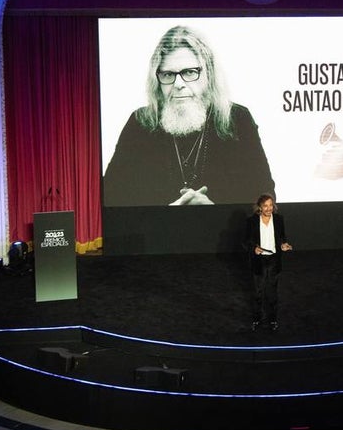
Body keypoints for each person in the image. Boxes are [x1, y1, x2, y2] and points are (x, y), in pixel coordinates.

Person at [103, 25, 275, 206]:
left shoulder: (238, 120)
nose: (178, 84)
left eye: (189, 72)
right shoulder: (140, 123)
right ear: (157, 79)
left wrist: (216, 212)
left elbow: (265, 197)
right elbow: (110, 199)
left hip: (223, 233)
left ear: (208, 74)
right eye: (168, 74)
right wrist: (166, 215)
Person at [244, 193, 291, 332]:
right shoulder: (252, 221)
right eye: (265, 205)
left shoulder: (278, 219)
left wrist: (283, 245)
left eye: (271, 205)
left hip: (274, 260)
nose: (269, 208)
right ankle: (257, 320)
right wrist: (254, 249)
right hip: (259, 260)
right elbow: (246, 241)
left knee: (272, 293)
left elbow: (282, 237)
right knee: (258, 293)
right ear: (260, 207)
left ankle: (273, 320)